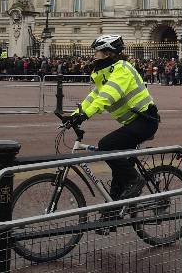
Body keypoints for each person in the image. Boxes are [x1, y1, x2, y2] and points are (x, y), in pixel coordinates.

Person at [62, 34, 159, 202]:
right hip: (133, 122)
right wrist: (74, 115)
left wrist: (85, 115)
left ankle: (135, 180)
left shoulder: (122, 69)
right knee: (117, 169)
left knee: (106, 145)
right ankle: (111, 214)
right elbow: (94, 96)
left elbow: (108, 95)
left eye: (97, 51)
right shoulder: (107, 72)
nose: (94, 55)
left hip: (145, 121)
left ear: (107, 53)